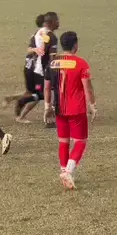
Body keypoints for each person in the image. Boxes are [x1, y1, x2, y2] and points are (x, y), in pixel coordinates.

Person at [44, 31, 97, 190]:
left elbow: (46, 88)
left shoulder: (52, 63)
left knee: (63, 142)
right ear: (76, 45)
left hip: (59, 109)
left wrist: (47, 106)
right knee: (80, 142)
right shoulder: (81, 64)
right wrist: (92, 105)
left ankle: (64, 171)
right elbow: (87, 88)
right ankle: (68, 172)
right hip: (76, 110)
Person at [2, 14, 46, 123]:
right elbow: (29, 49)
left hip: (32, 68)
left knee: (32, 92)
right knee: (39, 94)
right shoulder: (42, 35)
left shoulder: (39, 34)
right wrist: (36, 50)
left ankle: (10, 98)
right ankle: (21, 116)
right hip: (34, 69)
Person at [22, 12, 59, 128]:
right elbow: (52, 58)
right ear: (51, 22)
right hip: (42, 70)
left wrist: (35, 50)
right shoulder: (51, 37)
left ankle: (21, 112)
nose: (58, 23)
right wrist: (55, 71)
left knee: (39, 93)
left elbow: (29, 49)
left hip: (32, 68)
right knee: (44, 94)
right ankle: (49, 119)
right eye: (57, 20)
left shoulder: (38, 32)